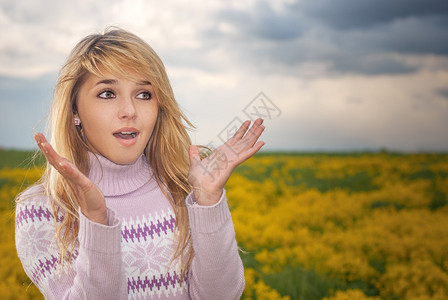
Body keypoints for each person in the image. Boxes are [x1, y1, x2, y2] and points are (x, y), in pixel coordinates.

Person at [15, 27, 265, 299]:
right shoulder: (41, 210)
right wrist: (96, 220)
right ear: (75, 110)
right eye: (107, 93)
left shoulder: (182, 191)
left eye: (144, 94)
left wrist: (207, 201)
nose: (130, 111)